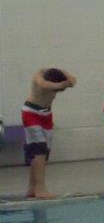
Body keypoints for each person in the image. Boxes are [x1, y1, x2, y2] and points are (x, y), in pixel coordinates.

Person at [21, 68, 76, 198]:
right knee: (39, 150)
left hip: (46, 114)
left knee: (43, 153)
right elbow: (44, 85)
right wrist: (63, 84)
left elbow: (73, 81)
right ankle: (40, 189)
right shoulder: (39, 75)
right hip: (31, 112)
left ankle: (32, 188)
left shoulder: (61, 74)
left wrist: (67, 81)